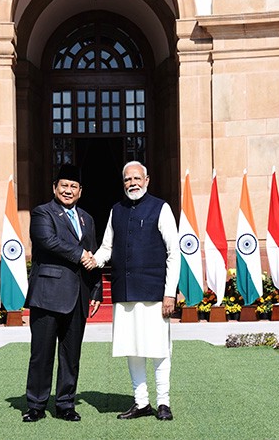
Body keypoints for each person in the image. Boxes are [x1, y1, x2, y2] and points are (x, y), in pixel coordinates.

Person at [83, 161, 179, 421]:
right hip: (124, 292)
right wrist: (95, 260)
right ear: (123, 182)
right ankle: (141, 402)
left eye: (137, 178)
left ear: (147, 180)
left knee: (159, 348)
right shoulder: (116, 210)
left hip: (154, 293)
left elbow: (174, 254)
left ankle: (163, 403)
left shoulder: (162, 208)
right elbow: (107, 247)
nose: (132, 183)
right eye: (127, 179)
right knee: (132, 348)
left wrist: (169, 293)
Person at [23, 164, 102, 423]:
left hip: (78, 295)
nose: (68, 191)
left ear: (81, 191)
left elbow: (93, 252)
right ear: (54, 188)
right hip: (47, 294)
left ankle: (66, 403)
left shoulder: (87, 219)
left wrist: (96, 290)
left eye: (73, 187)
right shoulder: (41, 213)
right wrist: (80, 255)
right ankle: (36, 404)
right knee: (42, 354)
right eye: (64, 186)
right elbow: (48, 240)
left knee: (71, 355)